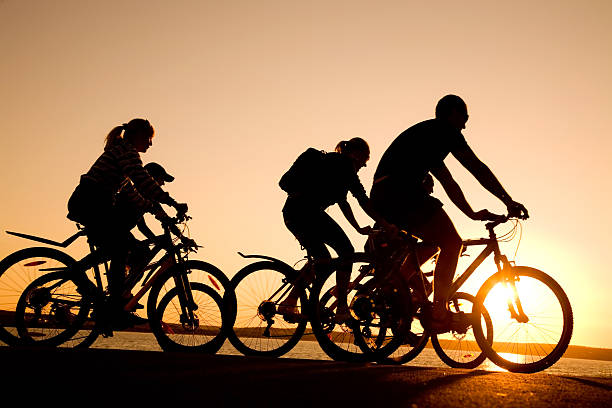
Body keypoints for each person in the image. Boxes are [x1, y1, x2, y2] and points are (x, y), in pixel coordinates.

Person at [370, 95, 528, 332]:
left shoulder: (428, 138)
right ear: (453, 113)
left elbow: (449, 183)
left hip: (385, 193)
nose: (465, 124)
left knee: (436, 243)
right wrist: (509, 201)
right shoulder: (445, 131)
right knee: (452, 243)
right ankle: (439, 311)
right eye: (464, 117)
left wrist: (472, 214)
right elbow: (477, 168)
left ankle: (394, 285)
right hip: (399, 191)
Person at [67, 119, 188, 325]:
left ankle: (108, 302)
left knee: (120, 248)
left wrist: (157, 207)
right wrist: (171, 201)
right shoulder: (127, 152)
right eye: (149, 139)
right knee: (122, 247)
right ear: (138, 136)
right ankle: (113, 302)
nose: (150, 144)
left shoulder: (122, 155)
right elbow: (142, 180)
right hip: (90, 202)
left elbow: (134, 193)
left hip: (94, 203)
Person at [279, 137, 397, 322]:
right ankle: (341, 307)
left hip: (293, 214)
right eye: (365, 160)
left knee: (322, 261)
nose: (364, 166)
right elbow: (362, 200)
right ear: (356, 154)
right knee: (346, 251)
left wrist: (357, 227)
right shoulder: (345, 166)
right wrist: (384, 222)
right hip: (306, 215)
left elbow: (343, 202)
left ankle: (290, 302)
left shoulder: (334, 163)